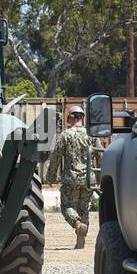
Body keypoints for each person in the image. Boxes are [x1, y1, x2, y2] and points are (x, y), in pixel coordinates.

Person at [46, 105, 93, 248]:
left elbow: (56, 157)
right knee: (84, 208)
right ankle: (81, 239)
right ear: (82, 118)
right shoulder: (90, 135)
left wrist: (51, 176)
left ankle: (77, 224)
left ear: (69, 118)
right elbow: (100, 154)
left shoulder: (65, 136)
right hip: (88, 179)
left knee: (67, 206)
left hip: (70, 179)